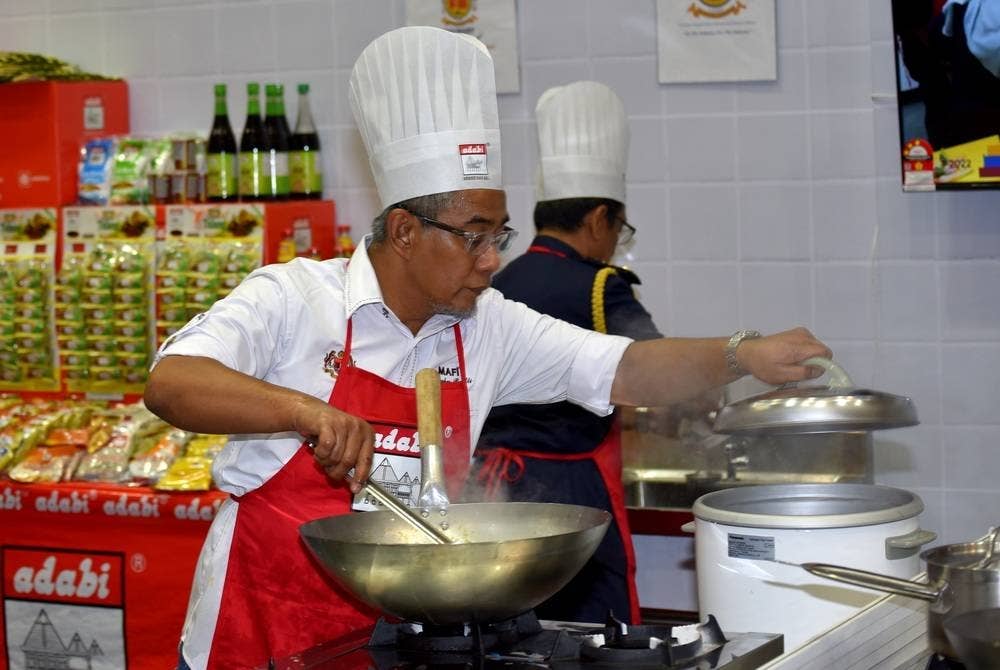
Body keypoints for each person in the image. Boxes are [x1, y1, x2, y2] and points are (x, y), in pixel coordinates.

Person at [144, 26, 831, 670]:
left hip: (391, 634)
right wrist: (303, 410)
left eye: (498, 235)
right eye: (474, 235)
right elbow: (171, 382)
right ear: (407, 232)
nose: (490, 260)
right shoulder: (294, 299)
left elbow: (625, 366)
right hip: (258, 623)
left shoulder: (488, 325)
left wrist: (742, 354)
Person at [470, 80, 659, 625]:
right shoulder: (602, 286)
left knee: (519, 631)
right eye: (618, 227)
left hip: (492, 493)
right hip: (572, 495)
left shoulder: (495, 283)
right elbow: (654, 372)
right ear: (600, 218)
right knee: (592, 630)